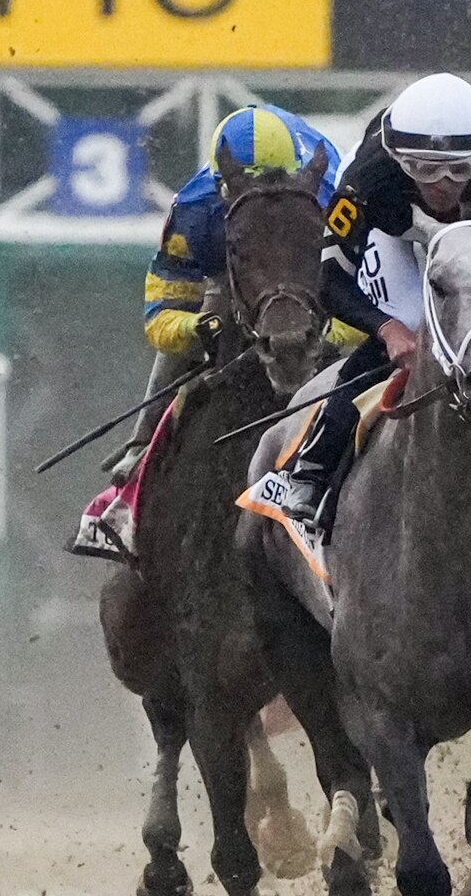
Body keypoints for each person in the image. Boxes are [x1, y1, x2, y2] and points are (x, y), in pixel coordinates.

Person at [242, 74, 471, 573]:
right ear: (398, 160)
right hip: (395, 238)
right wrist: (389, 332)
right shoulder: (368, 176)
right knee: (408, 322)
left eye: (461, 170)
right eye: (424, 169)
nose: (443, 185)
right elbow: (331, 284)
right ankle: (313, 468)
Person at [70, 102, 343, 562]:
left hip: (317, 267)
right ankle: (136, 467)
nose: (267, 195)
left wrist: (333, 327)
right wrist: (200, 326)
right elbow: (161, 317)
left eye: (277, 184)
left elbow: (376, 294)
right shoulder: (195, 213)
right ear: (224, 187)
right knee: (209, 305)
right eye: (251, 189)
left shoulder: (335, 193)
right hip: (231, 271)